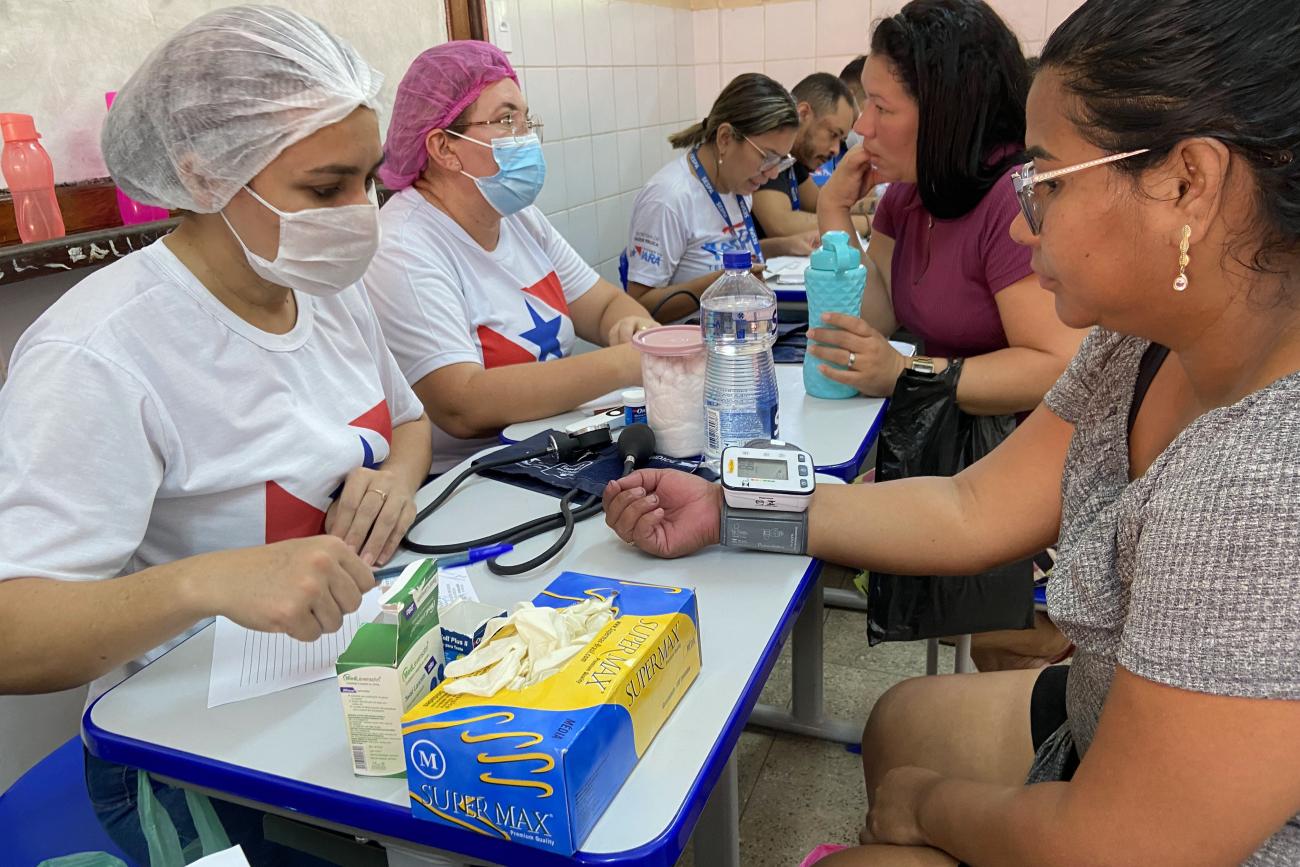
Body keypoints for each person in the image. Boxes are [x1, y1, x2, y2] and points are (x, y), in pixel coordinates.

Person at [604, 0, 1300, 862]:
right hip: (1103, 716)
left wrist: (929, 807)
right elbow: (974, 505)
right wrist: (729, 504)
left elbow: (1116, 844)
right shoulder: (1141, 342)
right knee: (901, 719)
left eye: (1047, 183)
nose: (1019, 222)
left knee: (894, 805)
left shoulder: (1263, 481)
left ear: (1188, 181)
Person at [0, 7, 432, 862]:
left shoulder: (322, 284)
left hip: (348, 682)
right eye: (324, 187)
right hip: (189, 759)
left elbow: (410, 421)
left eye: (368, 178)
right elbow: (13, 635)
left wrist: (397, 479)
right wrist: (211, 582)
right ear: (202, 175)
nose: (361, 212)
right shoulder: (100, 352)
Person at [812, 0, 1087, 670]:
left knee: (989, 633)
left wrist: (906, 374)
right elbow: (870, 317)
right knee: (836, 532)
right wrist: (830, 212)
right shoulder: (911, 194)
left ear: (945, 111)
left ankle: (1031, 681)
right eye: (861, 106)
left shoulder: (1008, 200)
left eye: (881, 108)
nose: (862, 129)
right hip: (955, 442)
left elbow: (1057, 366)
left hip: (1031, 460)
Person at [363, 42, 658, 473]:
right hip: (470, 478)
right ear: (444, 147)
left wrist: (633, 326)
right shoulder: (404, 246)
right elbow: (463, 404)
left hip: (552, 450)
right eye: (506, 120)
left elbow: (607, 306)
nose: (527, 137)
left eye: (527, 120)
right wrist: (624, 362)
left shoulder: (519, 217)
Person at [624, 73, 821, 323]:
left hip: (741, 335)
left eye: (781, 161)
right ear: (725, 138)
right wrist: (724, 282)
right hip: (692, 346)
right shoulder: (668, 200)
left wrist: (784, 245)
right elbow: (639, 306)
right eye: (767, 157)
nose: (772, 173)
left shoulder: (735, 189)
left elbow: (720, 253)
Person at [751, 73, 869, 239]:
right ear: (803, 113)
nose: (836, 150)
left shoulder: (795, 156)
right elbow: (780, 224)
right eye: (833, 134)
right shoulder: (770, 151)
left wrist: (874, 204)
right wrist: (868, 223)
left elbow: (821, 203)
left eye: (841, 140)